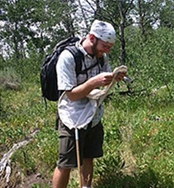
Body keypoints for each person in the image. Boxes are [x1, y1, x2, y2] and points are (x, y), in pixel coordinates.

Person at [52, 20, 126, 188]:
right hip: (71, 116)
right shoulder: (68, 57)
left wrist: (113, 78)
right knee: (65, 163)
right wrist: (93, 82)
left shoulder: (102, 57)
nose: (106, 51)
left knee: (88, 156)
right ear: (92, 38)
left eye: (109, 47)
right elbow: (70, 95)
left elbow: (102, 83)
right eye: (104, 46)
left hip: (92, 113)